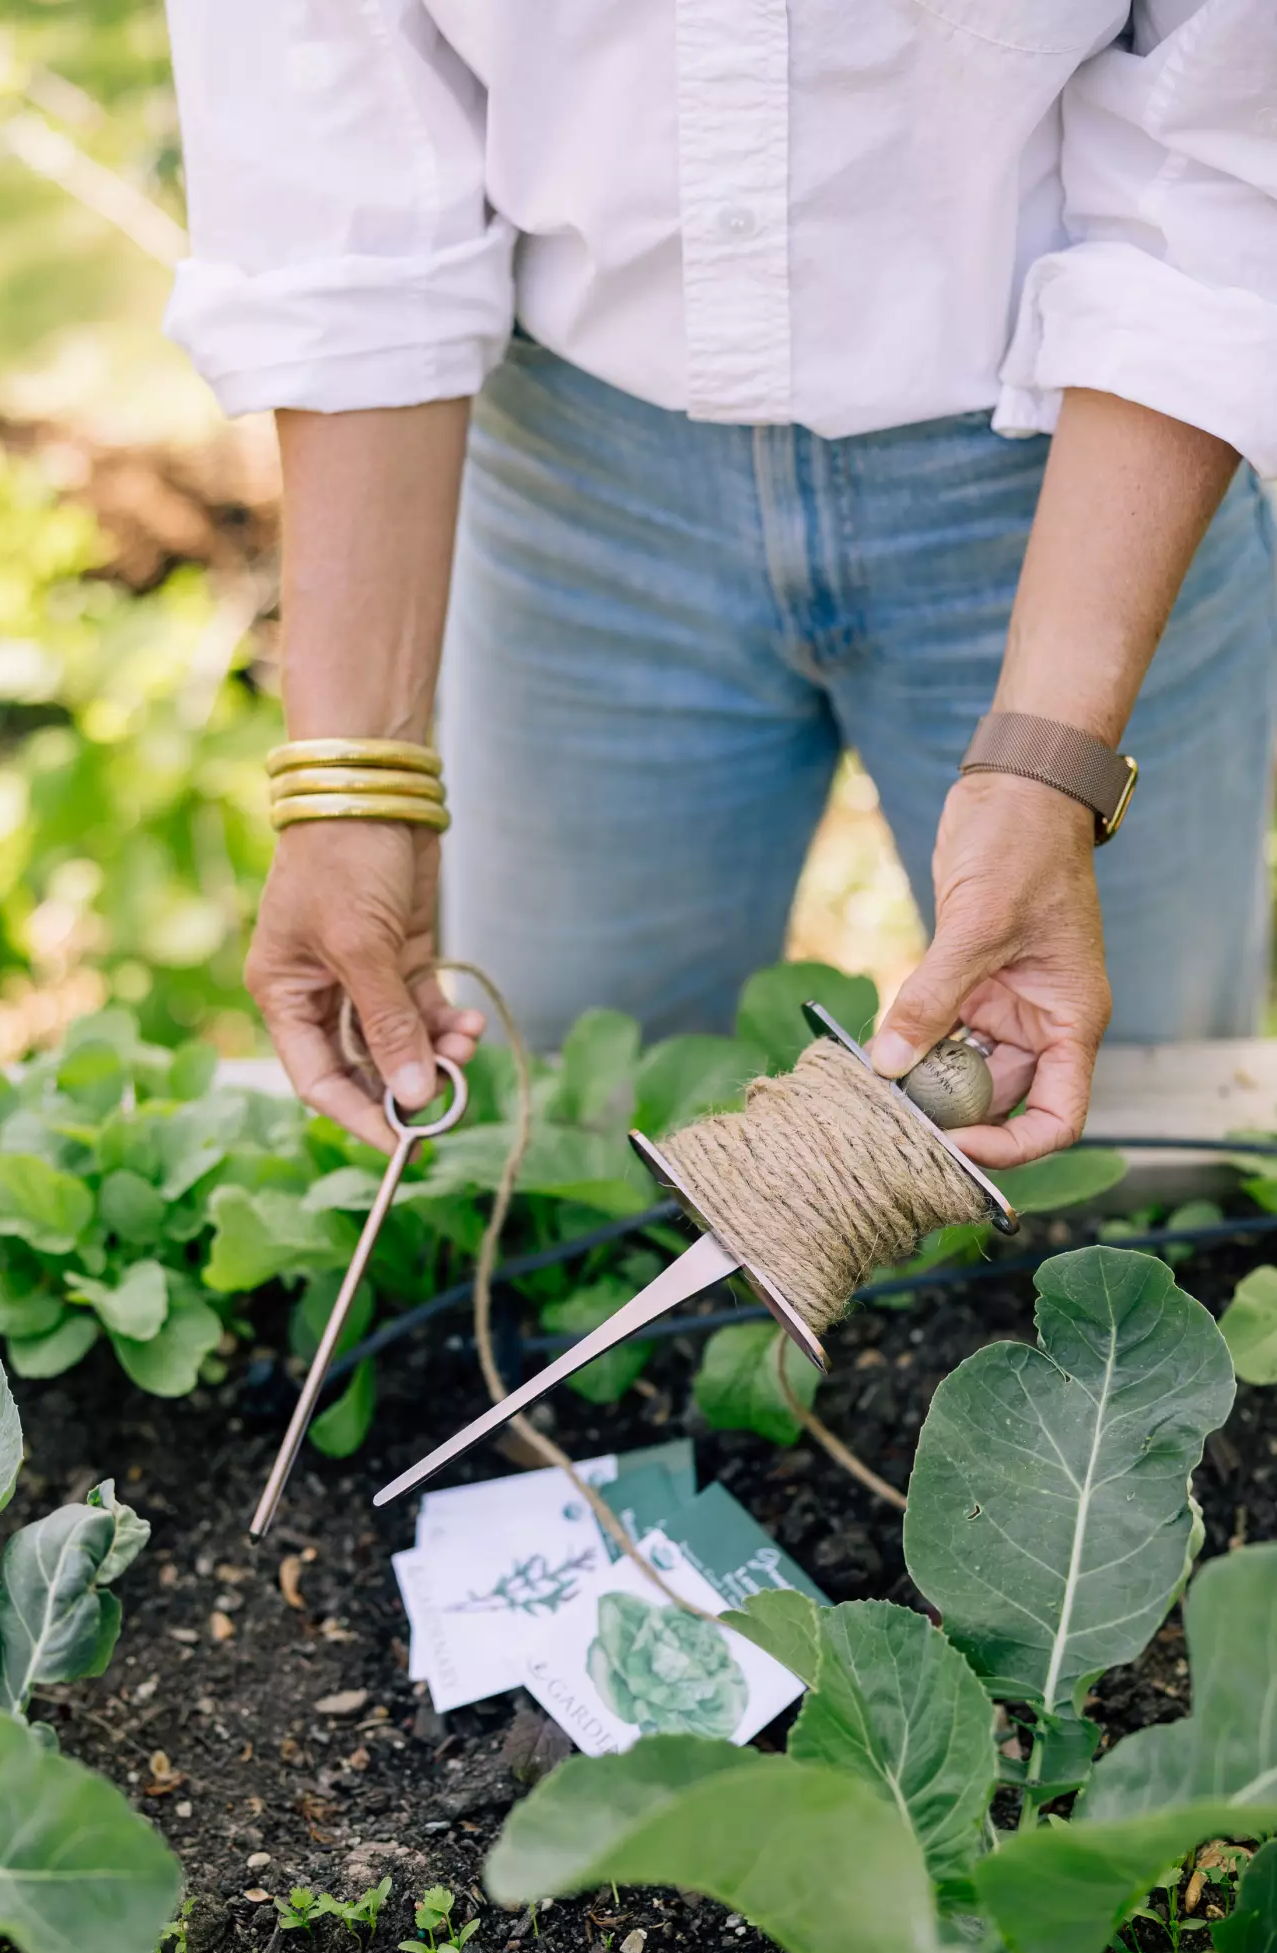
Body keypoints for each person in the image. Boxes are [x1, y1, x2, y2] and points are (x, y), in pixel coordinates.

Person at [162, 1, 1277, 1165]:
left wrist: (1052, 762)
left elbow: (1218, 148)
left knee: (1117, 1138)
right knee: (575, 1134)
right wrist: (352, 777)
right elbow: (339, 147)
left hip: (1085, 459)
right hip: (578, 489)